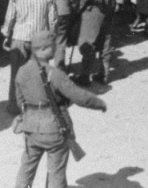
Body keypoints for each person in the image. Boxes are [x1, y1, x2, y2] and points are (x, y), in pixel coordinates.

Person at [13, 30, 107, 188]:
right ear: (42, 49)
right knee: (56, 173)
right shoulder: (55, 74)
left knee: (26, 168)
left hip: (30, 129)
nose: (56, 49)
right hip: (54, 130)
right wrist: (99, 103)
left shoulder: (21, 72)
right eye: (52, 47)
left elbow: (20, 101)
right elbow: (79, 97)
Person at [1, 0, 57, 115]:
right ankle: (38, 104)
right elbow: (53, 21)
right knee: (39, 73)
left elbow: (10, 17)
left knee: (16, 73)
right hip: (39, 40)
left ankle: (14, 105)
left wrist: (6, 34)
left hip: (19, 38)